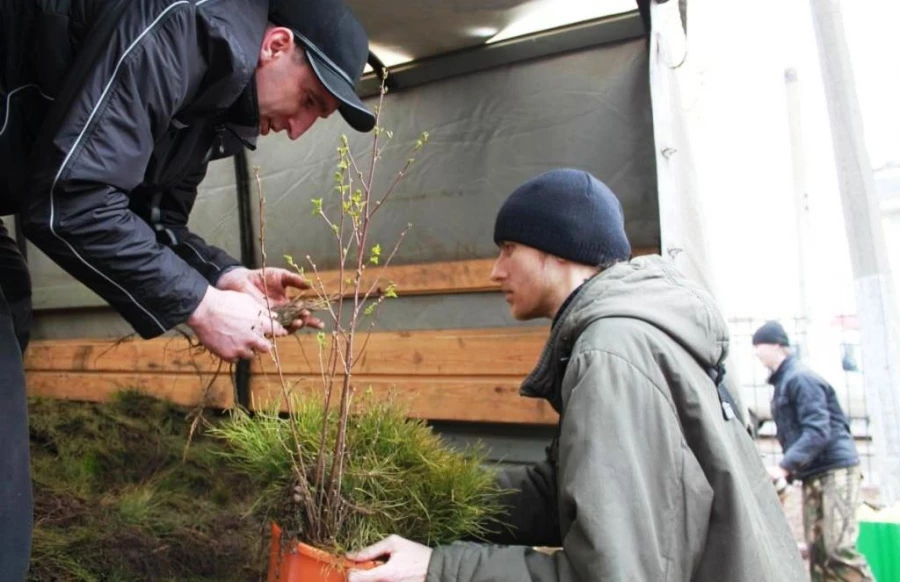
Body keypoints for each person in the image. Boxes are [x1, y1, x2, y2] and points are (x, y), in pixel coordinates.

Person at [0, 0, 374, 577]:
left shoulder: (213, 102)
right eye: (307, 102)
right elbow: (68, 202)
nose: (297, 131)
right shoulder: (193, 30)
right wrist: (200, 306)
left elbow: (153, 219)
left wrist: (225, 277)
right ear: (275, 46)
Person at [347, 169, 805, 581]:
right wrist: (432, 495)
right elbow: (567, 493)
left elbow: (612, 573)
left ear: (559, 249)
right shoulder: (638, 333)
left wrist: (439, 568)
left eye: (509, 249)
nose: (495, 271)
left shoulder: (610, 351)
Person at [752, 321, 874, 581]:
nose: (756, 352)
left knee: (837, 550)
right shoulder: (784, 382)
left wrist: (785, 466)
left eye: (759, 345)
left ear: (777, 345)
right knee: (819, 556)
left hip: (835, 471)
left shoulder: (800, 379)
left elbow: (818, 430)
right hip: (814, 474)